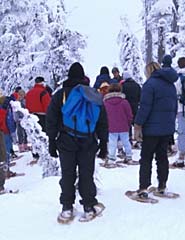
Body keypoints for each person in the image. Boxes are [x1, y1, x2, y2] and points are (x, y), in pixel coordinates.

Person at [46, 62, 108, 223]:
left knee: (68, 174)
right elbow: (102, 121)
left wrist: (52, 141)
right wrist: (104, 143)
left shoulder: (60, 95)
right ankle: (88, 206)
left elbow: (51, 119)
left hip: (66, 140)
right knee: (86, 173)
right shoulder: (92, 94)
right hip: (88, 140)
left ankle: (67, 207)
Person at [134, 61, 178, 198]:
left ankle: (143, 187)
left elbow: (145, 107)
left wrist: (138, 124)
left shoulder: (149, 85)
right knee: (162, 157)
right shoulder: (171, 85)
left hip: (151, 129)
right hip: (166, 129)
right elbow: (174, 108)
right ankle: (162, 185)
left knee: (146, 158)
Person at [103, 83, 133, 165]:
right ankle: (129, 157)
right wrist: (128, 123)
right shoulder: (124, 102)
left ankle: (111, 158)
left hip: (111, 126)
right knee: (126, 142)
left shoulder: (106, 103)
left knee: (112, 143)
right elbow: (129, 115)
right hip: (124, 126)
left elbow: (104, 115)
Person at [161, 55, 177, 156]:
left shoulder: (159, 72)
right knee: (170, 123)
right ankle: (170, 144)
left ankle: (164, 145)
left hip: (161, 101)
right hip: (171, 101)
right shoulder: (173, 74)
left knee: (161, 124)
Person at [121, 71, 141, 145]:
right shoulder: (137, 85)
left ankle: (129, 139)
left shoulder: (123, 86)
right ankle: (138, 138)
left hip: (125, 107)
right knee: (136, 122)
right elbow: (140, 96)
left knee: (127, 123)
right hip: (135, 106)